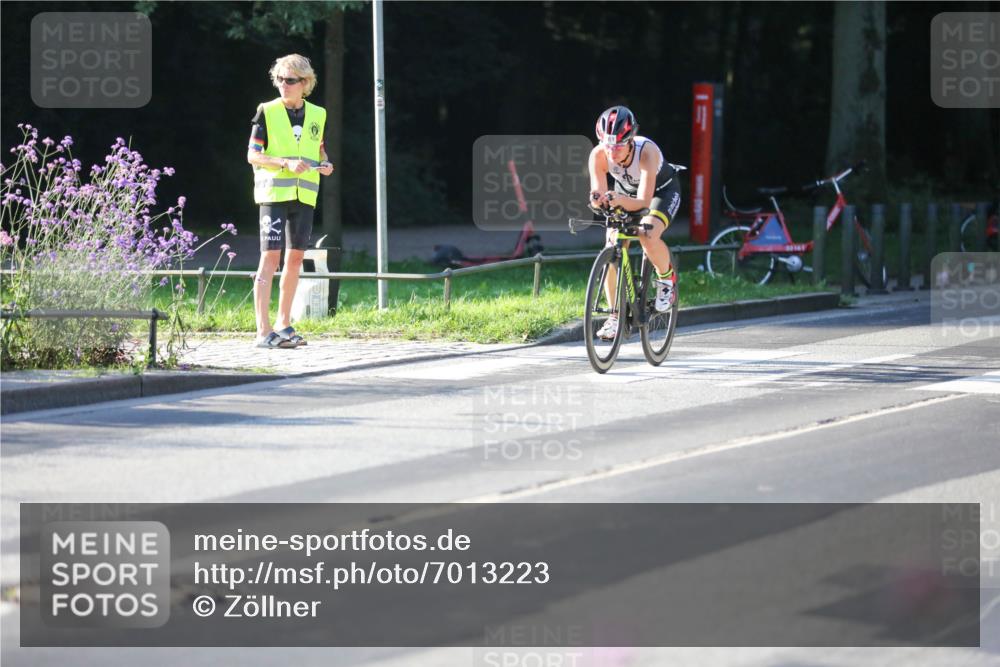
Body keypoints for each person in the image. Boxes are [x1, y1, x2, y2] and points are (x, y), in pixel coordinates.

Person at [247, 54, 334, 349]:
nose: (283, 84)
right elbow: (253, 154)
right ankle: (263, 331)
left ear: (305, 83)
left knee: (295, 258)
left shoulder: (318, 114)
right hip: (273, 194)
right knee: (270, 258)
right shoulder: (267, 111)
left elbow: (319, 150)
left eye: (290, 80)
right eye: (280, 79)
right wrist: (285, 162)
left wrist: (325, 163)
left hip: (305, 194)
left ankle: (283, 324)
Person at [587, 105, 681, 340]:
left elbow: (643, 202)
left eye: (618, 146)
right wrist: (598, 199)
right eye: (607, 145)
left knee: (647, 234)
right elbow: (598, 192)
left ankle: (666, 278)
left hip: (661, 193)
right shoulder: (598, 155)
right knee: (612, 247)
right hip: (624, 193)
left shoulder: (646, 152)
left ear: (630, 141)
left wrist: (618, 199)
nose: (612, 152)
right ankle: (615, 316)